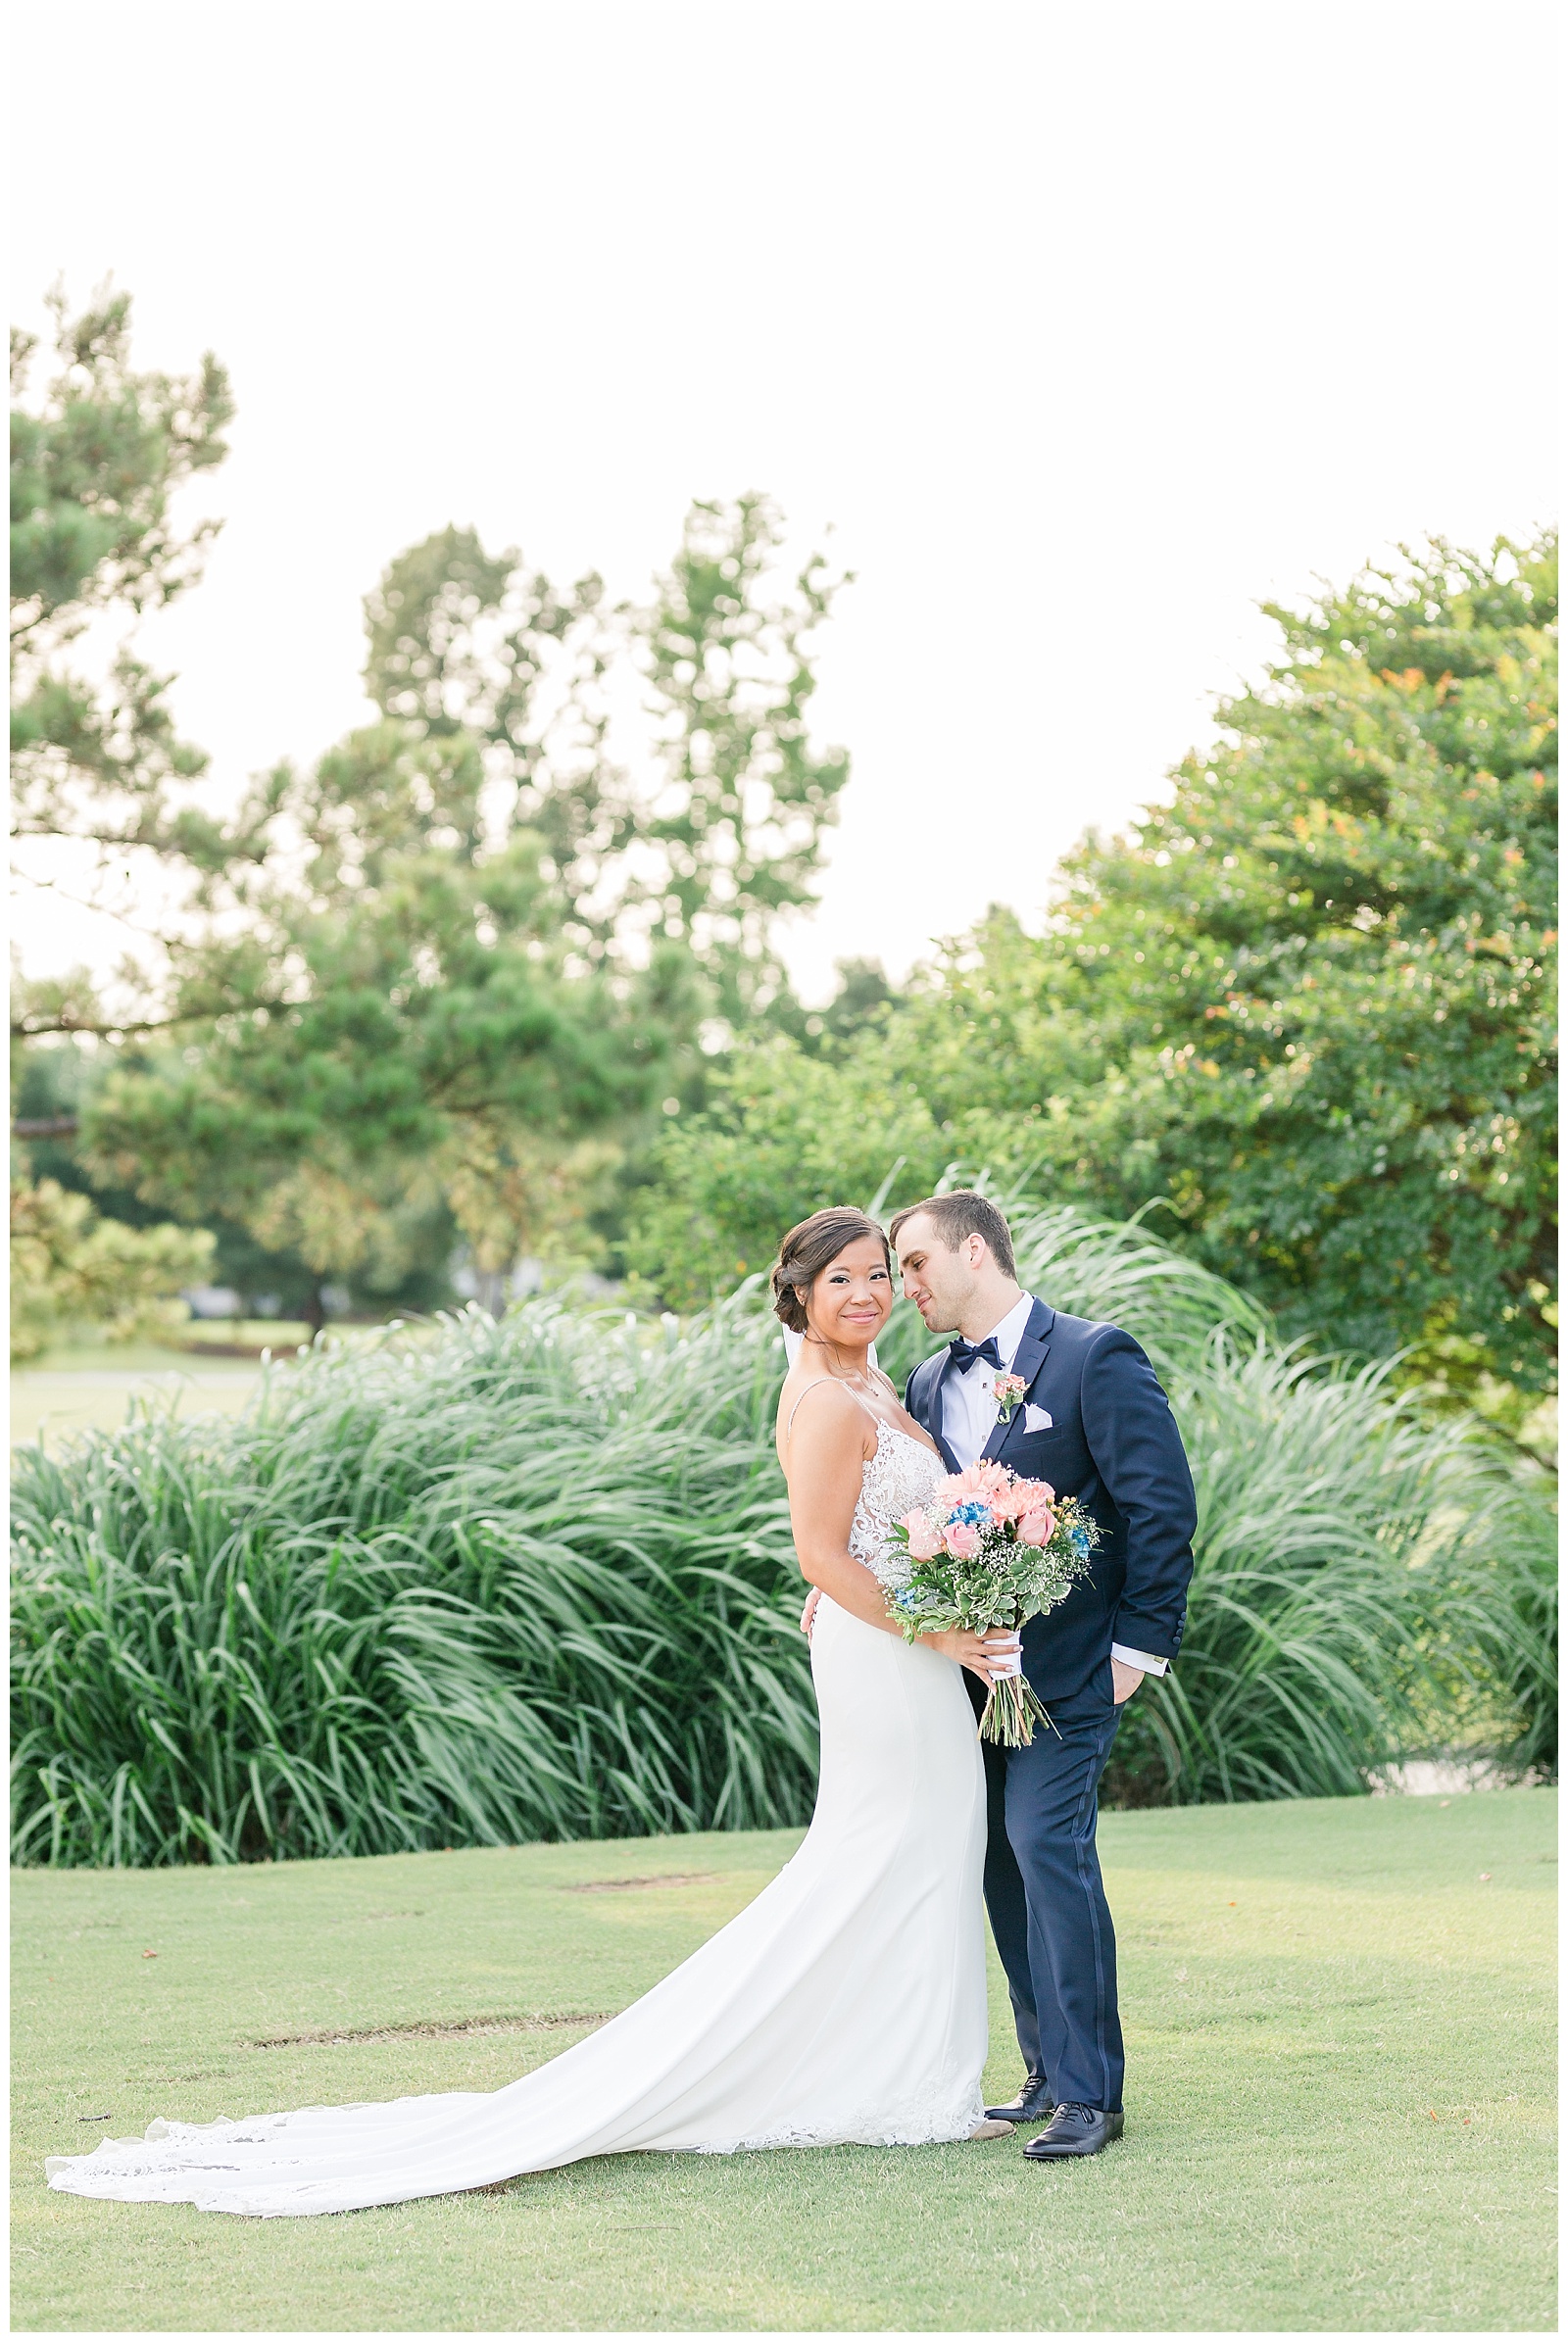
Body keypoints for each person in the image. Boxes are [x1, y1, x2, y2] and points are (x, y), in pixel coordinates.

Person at [44, 1207, 1018, 2220]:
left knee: (921, 1848)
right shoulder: (823, 1398)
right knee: (892, 1847)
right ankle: (913, 2089)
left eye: (876, 1275)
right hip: (889, 1654)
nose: (865, 1294)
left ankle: (906, 2075)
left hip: (902, 1642)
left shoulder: (872, 1383)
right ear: (800, 1295)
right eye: (842, 1280)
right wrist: (937, 1632)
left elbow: (887, 1530)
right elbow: (820, 1555)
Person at [891, 1192, 1198, 2161]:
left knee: (1043, 1841)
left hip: (1071, 1674)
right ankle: (1042, 2067)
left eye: (913, 1262)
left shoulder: (1094, 1355)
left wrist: (1136, 1650)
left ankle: (1091, 2092)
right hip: (965, 1679)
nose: (905, 1287)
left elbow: (1160, 1508)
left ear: (974, 1250)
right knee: (996, 1858)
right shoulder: (924, 1379)